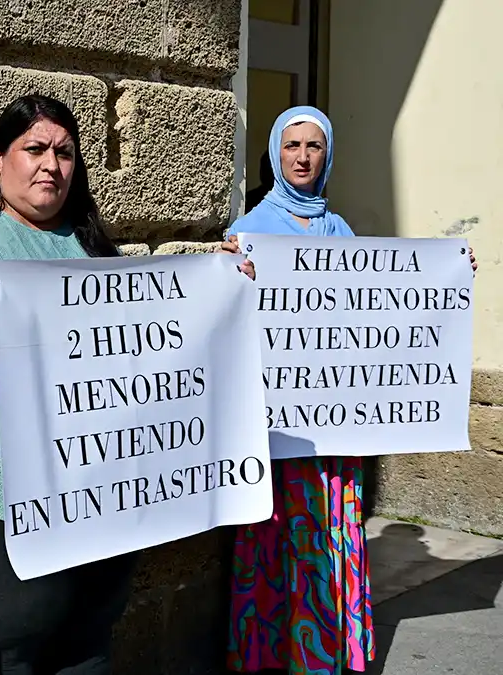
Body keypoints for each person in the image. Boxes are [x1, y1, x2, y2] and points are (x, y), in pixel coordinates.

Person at [0, 94, 254, 674]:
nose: (50, 165)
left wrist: (219, 283)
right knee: (7, 653)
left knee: (86, 644)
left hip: (98, 491)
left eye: (64, 152)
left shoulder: (89, 244)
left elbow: (151, 343)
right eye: (34, 149)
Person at [223, 105, 476, 675]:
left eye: (314, 146)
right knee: (281, 536)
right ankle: (274, 653)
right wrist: (223, 272)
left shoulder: (340, 231)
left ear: (327, 154)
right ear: (275, 153)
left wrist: (451, 273)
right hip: (276, 427)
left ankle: (330, 649)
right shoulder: (251, 230)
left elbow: (370, 309)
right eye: (292, 146)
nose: (303, 157)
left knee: (333, 529)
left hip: (334, 427)